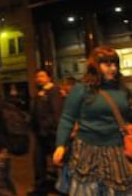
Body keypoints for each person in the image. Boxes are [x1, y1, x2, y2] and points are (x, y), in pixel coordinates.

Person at [53, 46, 132, 195]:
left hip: (116, 151)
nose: (113, 68)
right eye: (107, 64)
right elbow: (67, 118)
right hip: (86, 151)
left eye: (115, 64)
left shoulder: (122, 89)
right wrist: (60, 145)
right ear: (95, 66)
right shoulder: (81, 89)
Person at [28, 69, 63, 195]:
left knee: (58, 161)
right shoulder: (40, 92)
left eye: (42, 76)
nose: (39, 79)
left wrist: (52, 128)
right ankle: (40, 187)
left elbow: (56, 112)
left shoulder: (53, 91)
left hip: (51, 133)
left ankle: (62, 187)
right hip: (40, 134)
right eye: (37, 76)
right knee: (38, 161)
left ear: (49, 77)